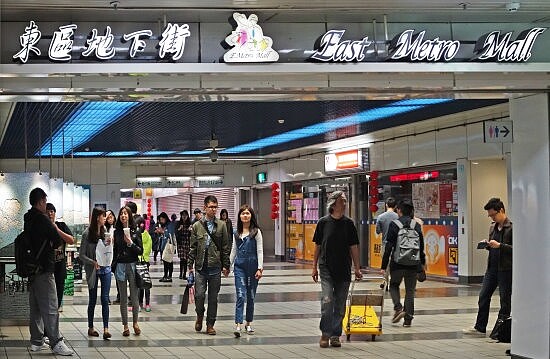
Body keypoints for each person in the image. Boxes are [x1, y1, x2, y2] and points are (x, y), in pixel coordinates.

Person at [25, 187, 74, 356]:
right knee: (52, 306)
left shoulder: (28, 218)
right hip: (45, 269)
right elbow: (56, 241)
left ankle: (37, 341)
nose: (46, 205)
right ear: (40, 202)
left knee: (36, 307)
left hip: (32, 269)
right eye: (45, 201)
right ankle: (56, 342)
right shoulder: (43, 220)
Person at [312, 190, 362, 348]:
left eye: (346, 201)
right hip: (326, 267)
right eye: (342, 201)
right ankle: (325, 334)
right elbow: (318, 246)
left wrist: (357, 268)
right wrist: (314, 267)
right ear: (333, 204)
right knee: (327, 301)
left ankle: (335, 334)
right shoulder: (323, 222)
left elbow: (353, 246)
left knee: (340, 305)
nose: (345, 204)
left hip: (344, 269)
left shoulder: (349, 224)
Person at [463, 198, 512, 336]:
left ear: (501, 210)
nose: (492, 217)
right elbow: (494, 246)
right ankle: (480, 327)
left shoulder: (512, 228)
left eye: (493, 215)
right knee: (483, 296)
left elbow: (517, 249)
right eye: (490, 216)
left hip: (506, 269)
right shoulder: (492, 227)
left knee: (505, 300)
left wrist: (500, 246)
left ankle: (500, 331)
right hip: (492, 269)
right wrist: (488, 245)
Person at [188, 195, 231, 335]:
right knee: (199, 296)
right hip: (200, 267)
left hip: (215, 267)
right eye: (211, 207)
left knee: (213, 298)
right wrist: (190, 266)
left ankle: (210, 324)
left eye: (215, 207)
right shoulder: (196, 226)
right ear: (205, 207)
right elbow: (193, 248)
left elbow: (225, 247)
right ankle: (200, 314)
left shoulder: (222, 226)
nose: (214, 209)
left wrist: (226, 265)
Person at [381, 198, 426, 328]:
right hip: (413, 263)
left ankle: (398, 308)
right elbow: (421, 247)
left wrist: (384, 266)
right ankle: (408, 319)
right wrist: (422, 264)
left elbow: (389, 246)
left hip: (397, 263)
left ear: (399, 211)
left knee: (394, 285)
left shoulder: (394, 224)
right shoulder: (416, 225)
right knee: (410, 291)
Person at [230, 205, 264, 337]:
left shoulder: (256, 232)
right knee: (240, 295)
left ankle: (248, 323)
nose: (245, 215)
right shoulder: (236, 233)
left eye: (247, 213)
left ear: (251, 216)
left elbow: (260, 250)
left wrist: (260, 268)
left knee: (250, 296)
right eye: (243, 213)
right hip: (240, 267)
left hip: (253, 267)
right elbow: (234, 250)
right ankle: (238, 324)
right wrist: (228, 265)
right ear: (239, 216)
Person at [79, 207, 112, 340]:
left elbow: (105, 250)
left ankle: (106, 329)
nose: (105, 218)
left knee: (105, 298)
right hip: (93, 270)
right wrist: (93, 262)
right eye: (103, 216)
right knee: (92, 299)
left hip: (105, 269)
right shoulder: (87, 234)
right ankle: (91, 327)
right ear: (97, 217)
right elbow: (81, 255)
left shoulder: (105, 232)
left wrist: (110, 244)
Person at [113, 206, 143, 337]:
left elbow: (140, 251)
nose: (123, 216)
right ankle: (125, 325)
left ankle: (135, 322)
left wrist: (131, 243)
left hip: (133, 265)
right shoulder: (116, 232)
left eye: (125, 213)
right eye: (121, 214)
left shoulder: (136, 231)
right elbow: (115, 250)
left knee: (135, 297)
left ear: (129, 216)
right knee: (123, 298)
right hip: (120, 266)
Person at [45, 203, 74, 312]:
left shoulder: (61, 225)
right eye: (47, 211)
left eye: (52, 211)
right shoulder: (42, 228)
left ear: (55, 213)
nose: (50, 214)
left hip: (59, 267)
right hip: (47, 268)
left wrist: (57, 229)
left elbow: (71, 240)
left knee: (58, 296)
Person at [376, 197, 398, 289]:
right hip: (397, 245)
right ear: (395, 206)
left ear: (386, 205)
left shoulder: (381, 217)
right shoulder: (398, 217)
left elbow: (378, 231)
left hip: (385, 244)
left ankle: (386, 281)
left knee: (386, 263)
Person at [136, 216, 152, 312]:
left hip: (138, 261)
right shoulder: (148, 236)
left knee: (139, 284)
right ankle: (147, 304)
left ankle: (139, 304)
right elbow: (149, 249)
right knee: (146, 282)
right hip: (145, 261)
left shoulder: (136, 235)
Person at [105, 210, 118, 305]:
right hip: (107, 255)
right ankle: (106, 297)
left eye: (111, 216)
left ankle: (120, 296)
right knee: (107, 277)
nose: (110, 218)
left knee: (118, 276)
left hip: (116, 255)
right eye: (108, 217)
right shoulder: (104, 229)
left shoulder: (117, 228)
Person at [157, 212, 174, 282]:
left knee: (169, 262)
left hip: (168, 246)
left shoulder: (170, 225)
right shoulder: (163, 226)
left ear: (165, 218)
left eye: (162, 219)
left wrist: (162, 232)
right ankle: (165, 275)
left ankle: (169, 276)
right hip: (163, 246)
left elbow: (170, 234)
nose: (161, 221)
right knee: (165, 262)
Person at [176, 210, 192, 280]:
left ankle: (184, 274)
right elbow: (176, 233)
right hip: (180, 243)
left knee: (186, 260)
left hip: (187, 243)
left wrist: (190, 230)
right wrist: (179, 229)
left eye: (185, 215)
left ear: (187, 216)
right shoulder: (178, 223)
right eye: (183, 215)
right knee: (182, 259)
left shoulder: (190, 224)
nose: (184, 217)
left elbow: (192, 234)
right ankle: (180, 274)